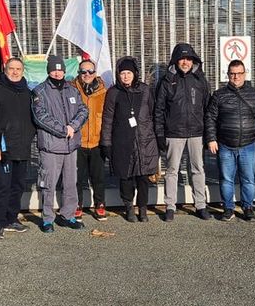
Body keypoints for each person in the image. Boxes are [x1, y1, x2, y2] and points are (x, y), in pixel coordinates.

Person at [31, 55, 90, 233]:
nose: (57, 73)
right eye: (54, 70)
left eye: (60, 70)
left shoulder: (72, 90)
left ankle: (67, 215)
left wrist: (73, 126)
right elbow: (40, 116)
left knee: (71, 183)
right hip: (51, 146)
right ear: (49, 71)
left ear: (64, 71)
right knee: (48, 183)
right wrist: (63, 130)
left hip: (71, 145)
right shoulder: (39, 91)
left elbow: (83, 110)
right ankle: (47, 218)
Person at [155, 43, 212, 221]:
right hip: (174, 133)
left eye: (188, 59)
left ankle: (200, 205)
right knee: (172, 171)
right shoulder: (166, 81)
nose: (185, 62)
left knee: (198, 169)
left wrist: (209, 133)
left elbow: (208, 108)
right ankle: (170, 207)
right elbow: (159, 110)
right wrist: (160, 134)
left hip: (197, 133)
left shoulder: (200, 80)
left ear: (193, 60)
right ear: (176, 60)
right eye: (182, 59)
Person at [0, 57, 35, 240]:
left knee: (18, 186)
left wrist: (30, 137)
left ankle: (12, 219)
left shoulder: (28, 93)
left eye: (18, 69)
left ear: (23, 71)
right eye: (11, 68)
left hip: (22, 148)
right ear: (5, 70)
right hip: (3, 150)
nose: (15, 72)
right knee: (2, 187)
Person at [101, 56, 159, 222]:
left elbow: (153, 113)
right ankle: (129, 207)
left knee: (143, 178)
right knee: (125, 178)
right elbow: (108, 119)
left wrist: (157, 136)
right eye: (122, 73)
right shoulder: (113, 93)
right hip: (122, 141)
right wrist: (106, 143)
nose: (125, 76)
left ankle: (143, 208)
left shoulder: (145, 90)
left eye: (129, 73)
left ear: (135, 74)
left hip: (144, 141)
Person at [206, 60, 255, 221]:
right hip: (225, 145)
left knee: (248, 179)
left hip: (248, 144)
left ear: (245, 74)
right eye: (232, 73)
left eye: (239, 73)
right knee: (226, 179)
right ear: (228, 75)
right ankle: (228, 208)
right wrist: (211, 138)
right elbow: (210, 118)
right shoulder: (219, 95)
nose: (236, 77)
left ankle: (248, 207)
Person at [71, 59, 109, 221]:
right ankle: (76, 205)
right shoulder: (71, 90)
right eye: (83, 71)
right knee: (76, 177)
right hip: (77, 142)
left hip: (96, 141)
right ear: (79, 73)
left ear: (95, 73)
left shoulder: (104, 91)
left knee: (98, 177)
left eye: (90, 71)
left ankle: (100, 204)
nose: (87, 74)